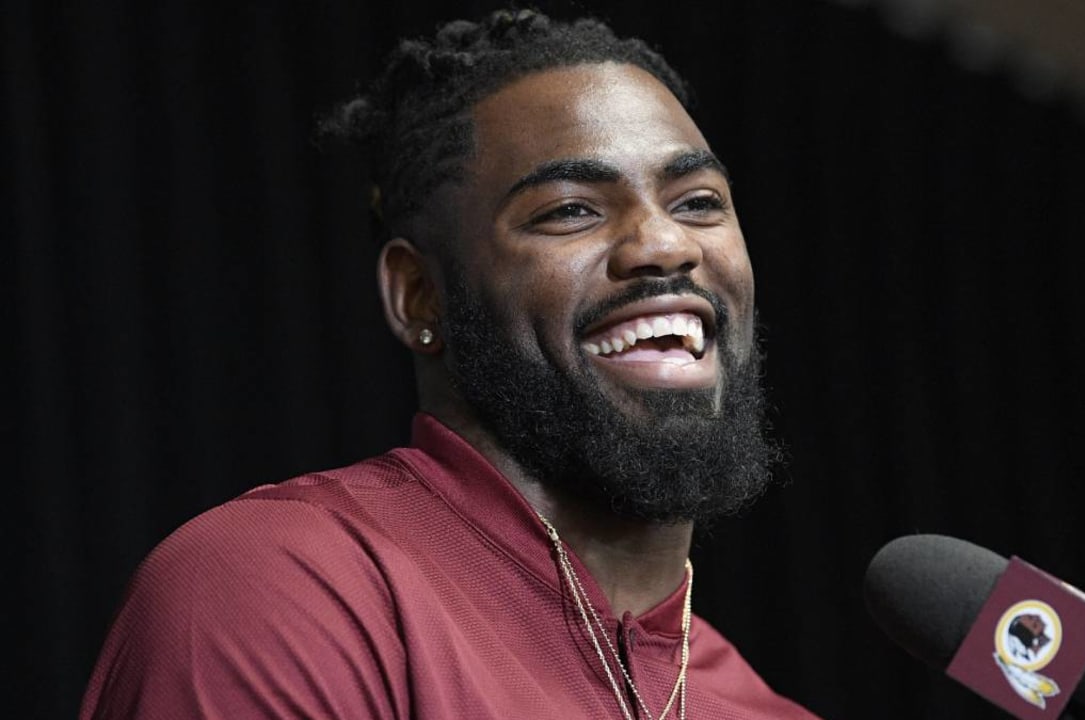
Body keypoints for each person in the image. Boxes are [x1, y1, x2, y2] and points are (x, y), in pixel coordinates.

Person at [80, 9, 821, 719]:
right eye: (570, 210)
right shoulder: (281, 589)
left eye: (697, 202)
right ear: (419, 295)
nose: (665, 245)